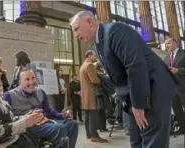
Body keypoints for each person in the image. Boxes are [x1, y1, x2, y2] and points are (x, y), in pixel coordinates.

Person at [70, 10, 178, 148]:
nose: (75, 34)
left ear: (89, 22)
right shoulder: (99, 43)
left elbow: (135, 66)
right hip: (134, 96)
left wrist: (138, 105)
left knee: (153, 142)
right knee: (136, 141)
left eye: (77, 29)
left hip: (152, 90)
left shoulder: (115, 31)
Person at [3, 69, 78, 148]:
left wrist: (62, 115)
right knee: (59, 128)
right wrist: (26, 118)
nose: (31, 82)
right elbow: (5, 120)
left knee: (73, 124)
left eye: (33, 78)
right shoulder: (9, 96)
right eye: (27, 79)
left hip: (44, 122)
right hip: (27, 127)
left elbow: (48, 111)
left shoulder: (40, 92)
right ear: (20, 82)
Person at [80, 50, 108, 143]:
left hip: (85, 95)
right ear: (89, 56)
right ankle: (94, 136)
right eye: (94, 56)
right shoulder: (89, 65)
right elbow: (94, 80)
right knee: (93, 115)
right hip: (91, 94)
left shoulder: (82, 65)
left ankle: (89, 134)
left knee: (88, 115)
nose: (95, 57)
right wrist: (101, 79)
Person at [164, 38, 185, 134]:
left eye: (168, 43)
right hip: (172, 88)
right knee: (177, 109)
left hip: (183, 87)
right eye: (165, 44)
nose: (166, 46)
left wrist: (179, 71)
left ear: (175, 42)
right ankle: (183, 127)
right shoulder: (166, 58)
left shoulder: (183, 54)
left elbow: (178, 70)